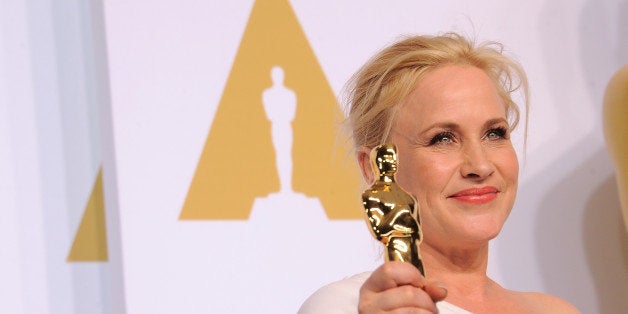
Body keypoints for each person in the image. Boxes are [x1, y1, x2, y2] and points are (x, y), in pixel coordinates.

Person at [298, 33, 580, 313]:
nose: (480, 166)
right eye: (443, 138)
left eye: (494, 134)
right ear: (375, 168)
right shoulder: (347, 307)